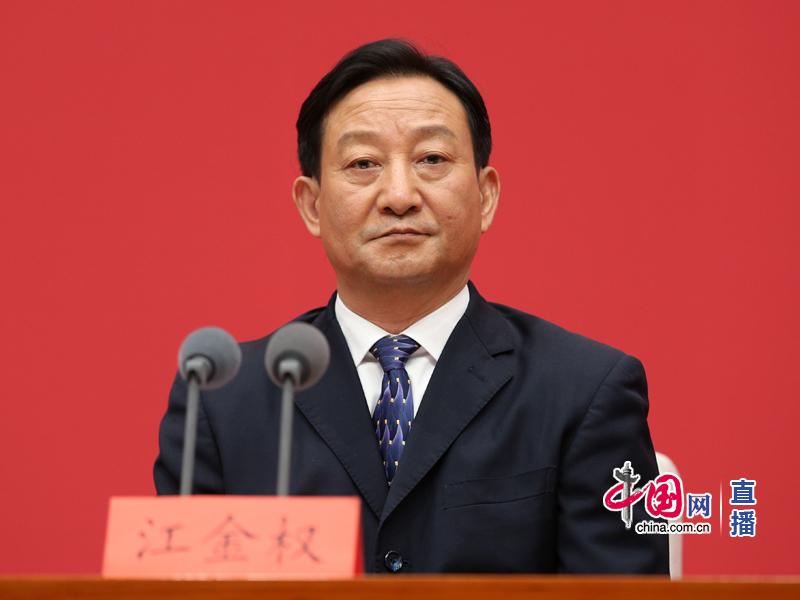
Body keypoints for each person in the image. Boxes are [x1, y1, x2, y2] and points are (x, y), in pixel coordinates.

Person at [154, 38, 668, 574]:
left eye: (432, 159)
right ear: (311, 205)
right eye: (363, 163)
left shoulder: (583, 392)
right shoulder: (224, 401)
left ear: (486, 196)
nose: (399, 195)